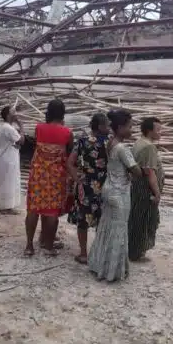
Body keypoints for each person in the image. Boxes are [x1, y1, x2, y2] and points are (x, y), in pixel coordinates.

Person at [88, 109, 142, 282]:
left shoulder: (110, 143)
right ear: (119, 128)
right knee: (118, 230)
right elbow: (137, 171)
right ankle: (112, 272)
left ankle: (98, 265)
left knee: (106, 228)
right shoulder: (122, 148)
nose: (131, 130)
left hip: (109, 188)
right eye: (129, 127)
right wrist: (142, 169)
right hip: (119, 193)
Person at [24, 99, 73, 257]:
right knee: (51, 212)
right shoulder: (67, 132)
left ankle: (29, 246)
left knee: (33, 210)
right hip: (55, 178)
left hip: (37, 175)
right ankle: (48, 246)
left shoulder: (39, 128)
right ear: (63, 114)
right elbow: (70, 155)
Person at [67, 113, 110, 264]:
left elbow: (70, 162)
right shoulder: (110, 143)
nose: (109, 128)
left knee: (83, 220)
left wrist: (76, 177)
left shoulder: (82, 142)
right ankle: (99, 253)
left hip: (85, 185)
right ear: (100, 126)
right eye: (107, 125)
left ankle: (84, 253)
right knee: (102, 220)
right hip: (105, 185)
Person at [128, 117, 164, 261]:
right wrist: (157, 193)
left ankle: (133, 249)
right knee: (145, 220)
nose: (160, 133)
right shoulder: (149, 147)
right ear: (150, 131)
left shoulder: (139, 142)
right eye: (158, 130)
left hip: (137, 187)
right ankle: (137, 252)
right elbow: (150, 172)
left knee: (136, 218)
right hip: (145, 188)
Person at [0, 105, 25, 213]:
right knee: (8, 183)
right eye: (13, 112)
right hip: (7, 161)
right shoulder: (8, 128)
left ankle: (5, 206)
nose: (15, 113)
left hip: (6, 159)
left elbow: (11, 143)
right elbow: (21, 140)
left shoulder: (5, 127)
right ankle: (5, 207)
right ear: (8, 115)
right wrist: (21, 126)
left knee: (7, 183)